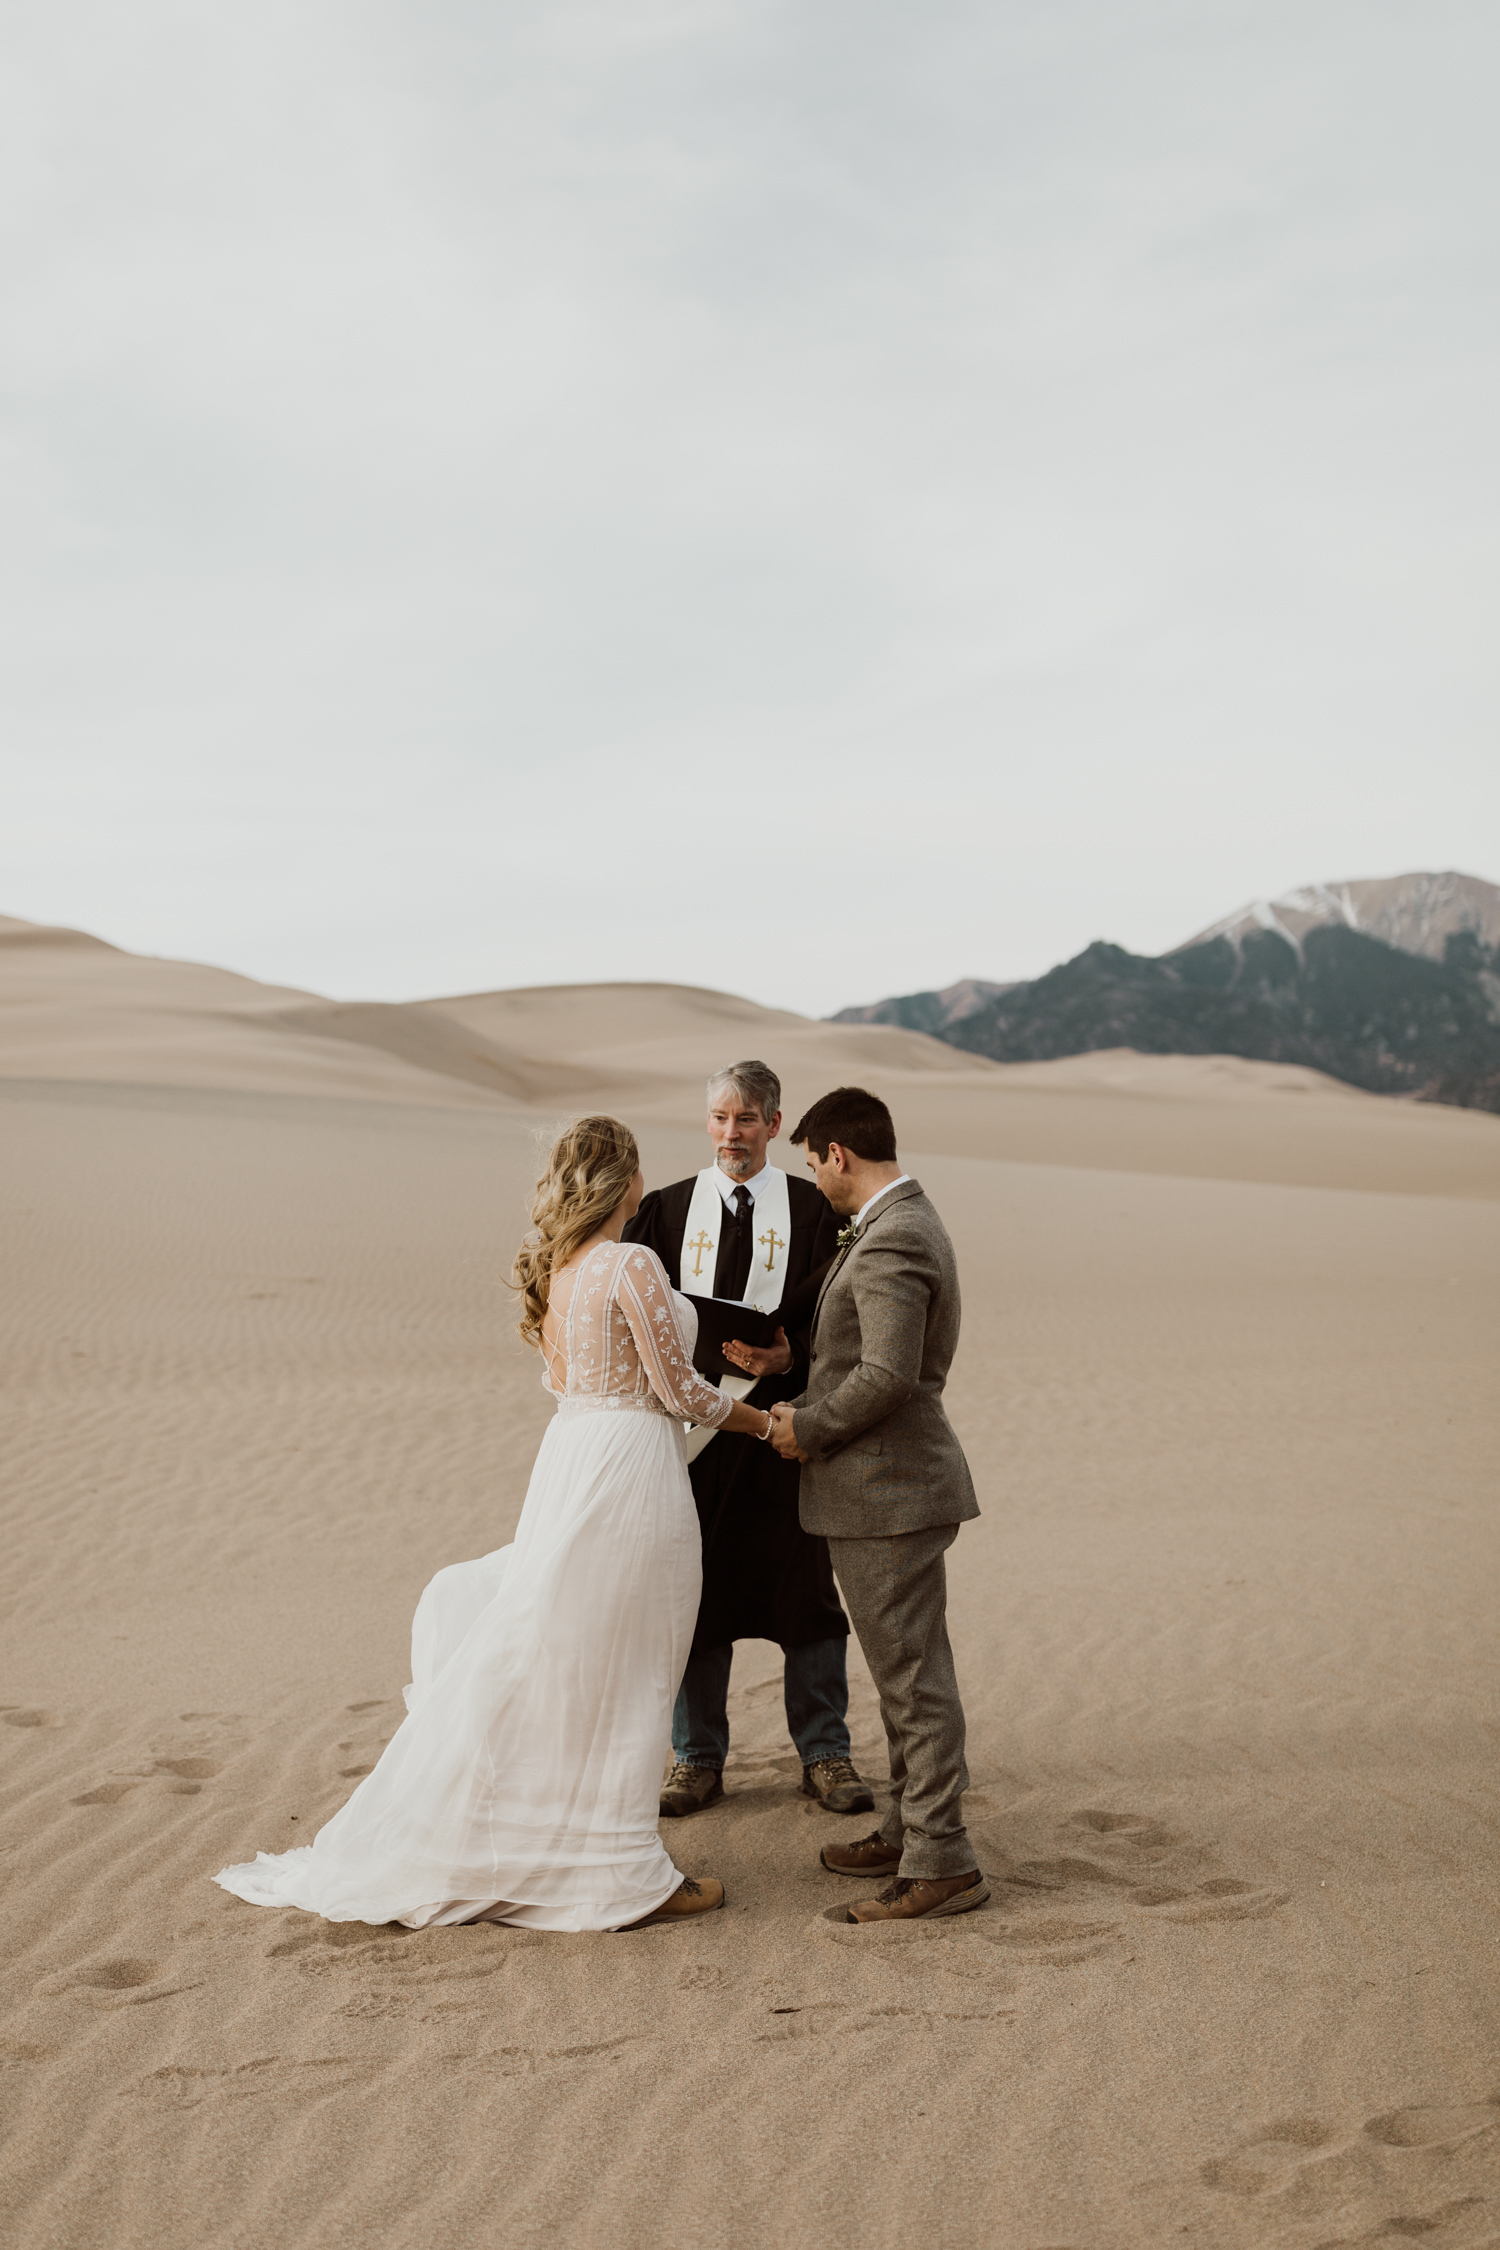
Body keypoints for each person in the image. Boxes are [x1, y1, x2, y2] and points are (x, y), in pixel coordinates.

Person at [214, 1116, 778, 1934]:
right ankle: (622, 1869)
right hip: (629, 1475)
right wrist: (767, 1426)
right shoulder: (629, 1263)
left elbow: (596, 1386)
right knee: (627, 1662)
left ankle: (573, 1847)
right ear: (622, 1184)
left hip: (573, 1460)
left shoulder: (559, 1270)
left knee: (572, 1648)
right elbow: (681, 1392)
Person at [624, 1061, 874, 1820]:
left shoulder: (814, 1209)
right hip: (695, 1443)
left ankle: (825, 1752)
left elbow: (851, 1315)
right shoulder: (666, 1212)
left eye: (746, 1119)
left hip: (787, 1437)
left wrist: (792, 1355)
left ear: (773, 1122)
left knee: (806, 1597)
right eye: (719, 1119)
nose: (731, 1134)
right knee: (693, 1598)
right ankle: (696, 1757)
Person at [769, 1086, 988, 1924]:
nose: (815, 1180)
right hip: (883, 1491)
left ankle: (942, 1861)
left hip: (888, 1492)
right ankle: (905, 1828)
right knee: (904, 1676)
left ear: (838, 1155)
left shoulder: (894, 1236)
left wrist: (810, 1428)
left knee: (913, 1680)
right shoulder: (901, 1224)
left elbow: (889, 1374)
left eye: (813, 1162)